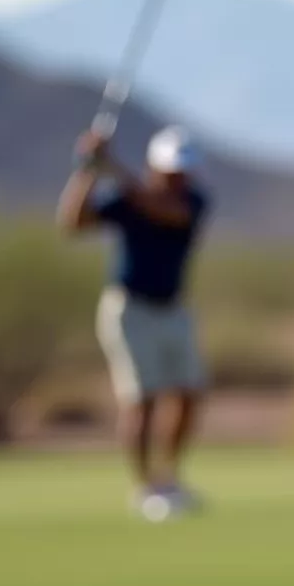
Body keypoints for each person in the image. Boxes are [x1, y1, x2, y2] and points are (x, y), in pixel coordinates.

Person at [57, 125, 211, 520]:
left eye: (182, 171)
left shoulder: (192, 201)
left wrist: (112, 166)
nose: (178, 177)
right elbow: (72, 223)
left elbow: (165, 212)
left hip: (173, 308)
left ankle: (170, 479)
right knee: (142, 399)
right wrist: (88, 169)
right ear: (154, 166)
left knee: (189, 393)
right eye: (170, 170)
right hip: (129, 308)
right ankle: (145, 488)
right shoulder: (126, 197)